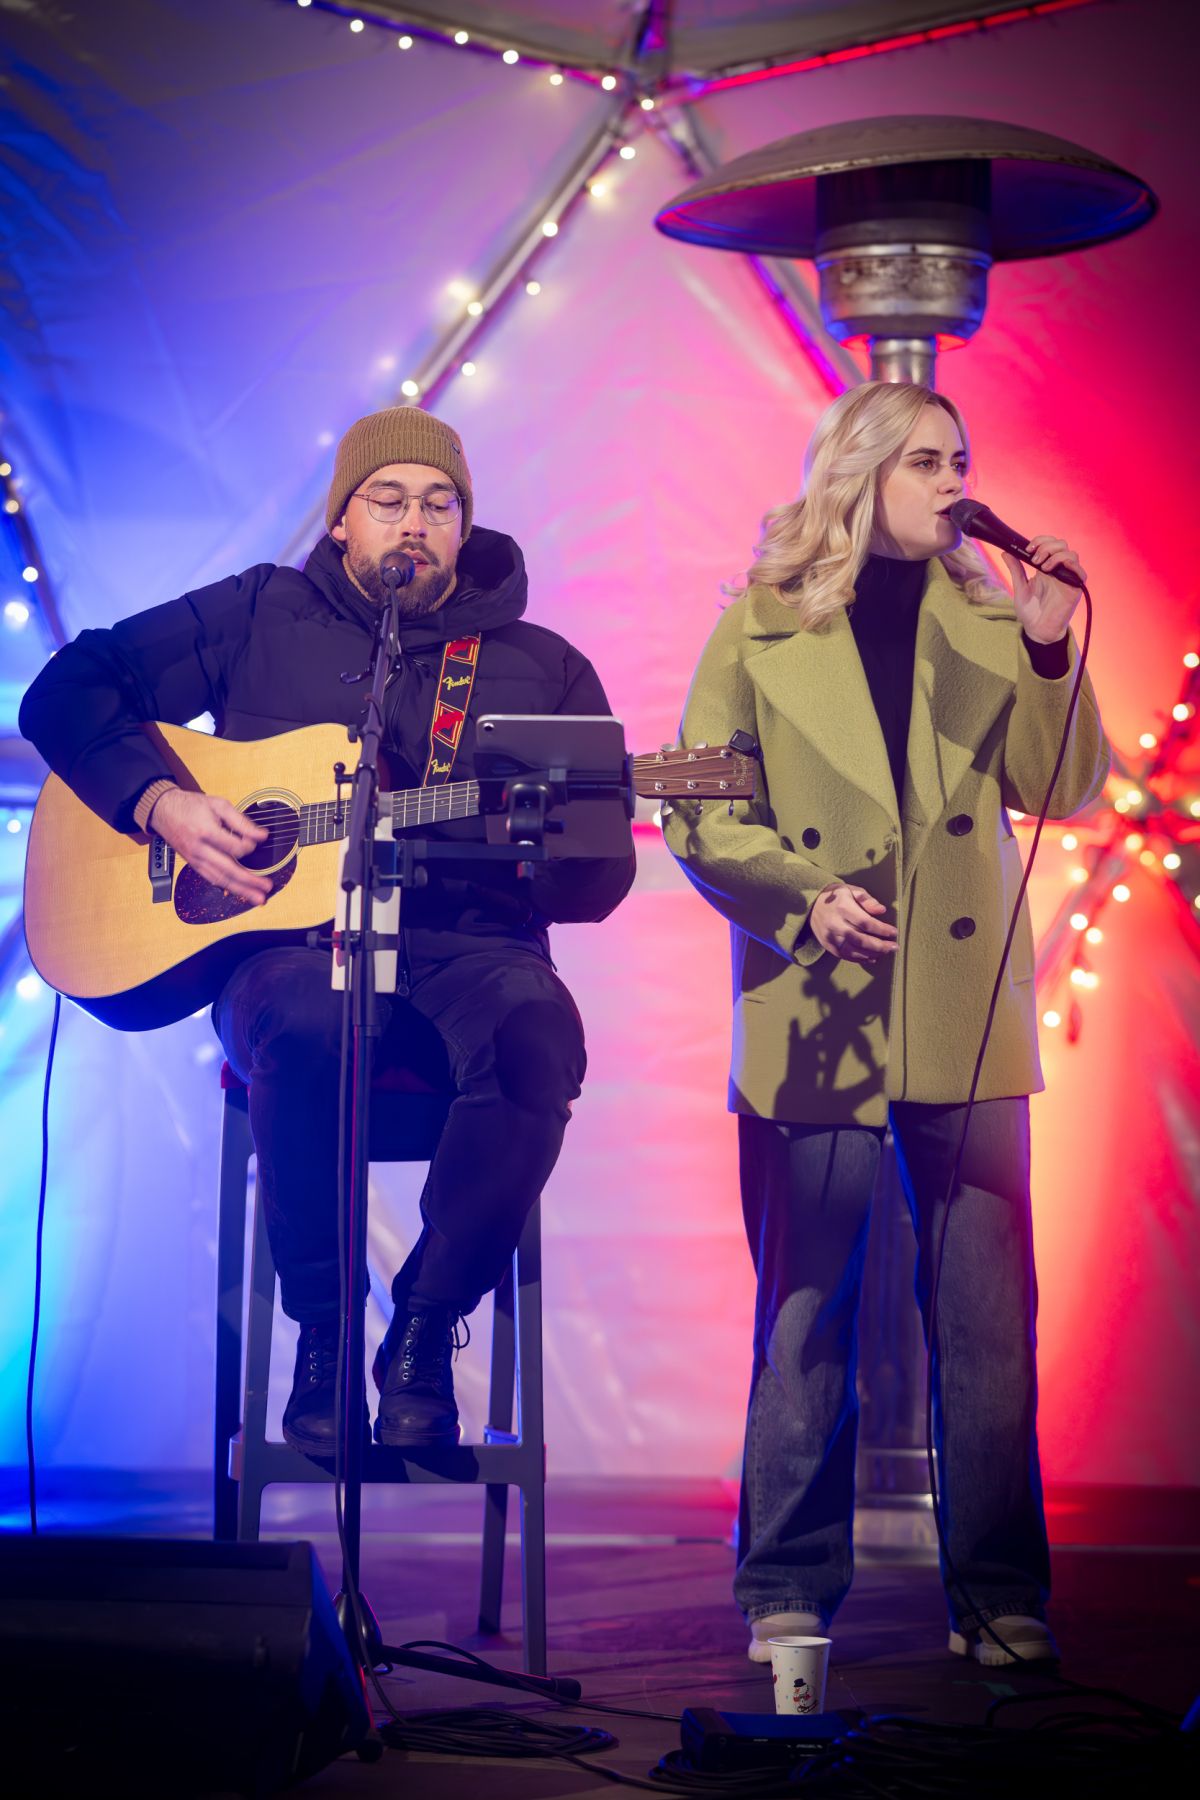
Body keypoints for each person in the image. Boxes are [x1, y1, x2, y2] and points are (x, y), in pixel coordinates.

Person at [21, 405, 635, 1455]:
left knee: (540, 1038)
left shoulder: (541, 663)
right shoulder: (263, 610)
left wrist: (560, 841)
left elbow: (595, 881)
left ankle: (424, 1331)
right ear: (343, 518)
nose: (415, 523)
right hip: (288, 951)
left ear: (465, 524)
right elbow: (68, 691)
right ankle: (324, 1335)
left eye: (439, 505)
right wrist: (163, 805)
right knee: (306, 1019)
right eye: (388, 500)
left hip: (471, 950)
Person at [662, 381, 1109, 1668]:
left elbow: (1066, 784)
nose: (956, 481)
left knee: (987, 1318)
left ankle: (999, 1592)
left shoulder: (994, 615)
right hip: (818, 1000)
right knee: (807, 1307)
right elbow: (699, 810)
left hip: (963, 1007)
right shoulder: (760, 621)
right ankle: (787, 1587)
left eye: (961, 458)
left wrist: (1047, 652)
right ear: (857, 471)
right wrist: (804, 901)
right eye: (926, 461)